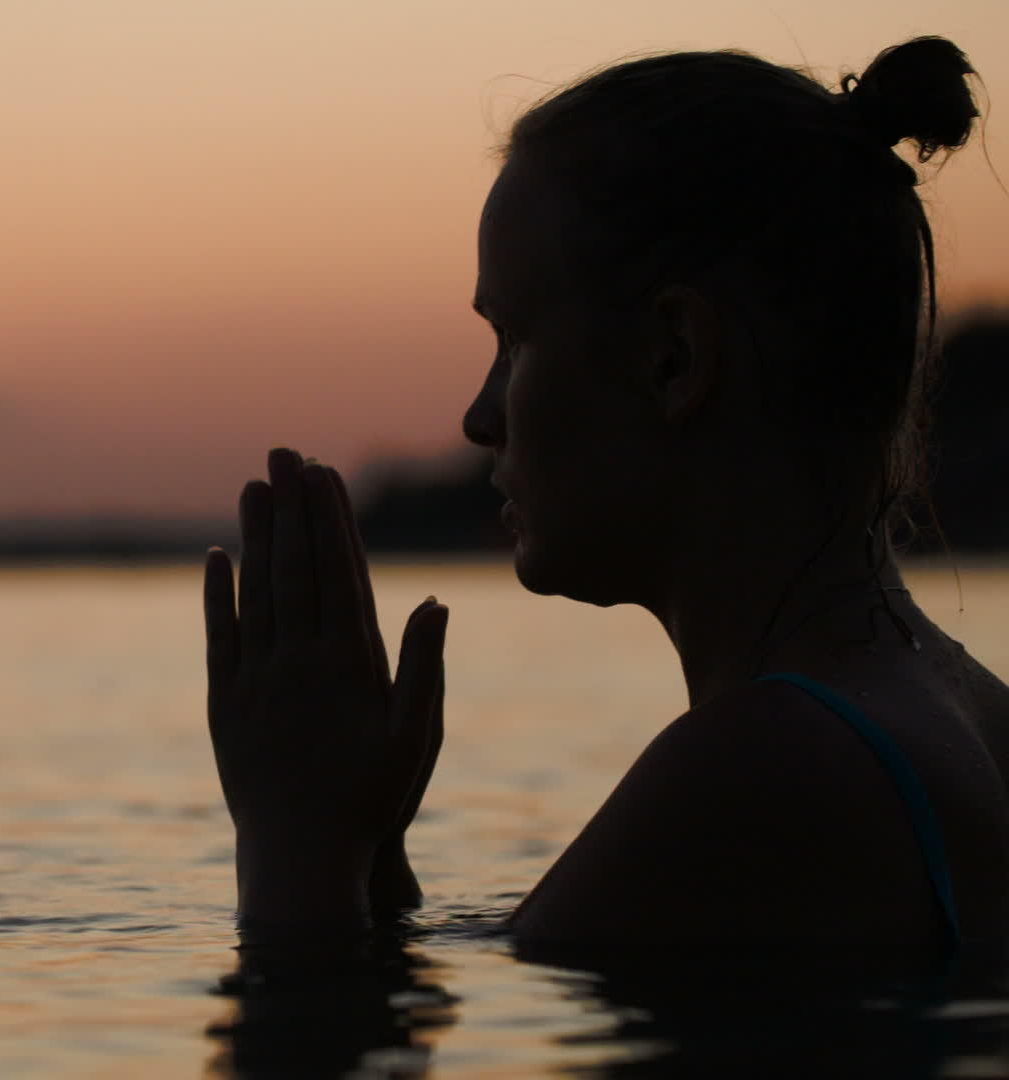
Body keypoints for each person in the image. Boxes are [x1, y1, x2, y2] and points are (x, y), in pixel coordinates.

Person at [202, 36, 1009, 961]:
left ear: (673, 359)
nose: (478, 417)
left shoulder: (766, 767)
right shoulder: (972, 718)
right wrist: (368, 850)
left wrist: (288, 839)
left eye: (511, 338)